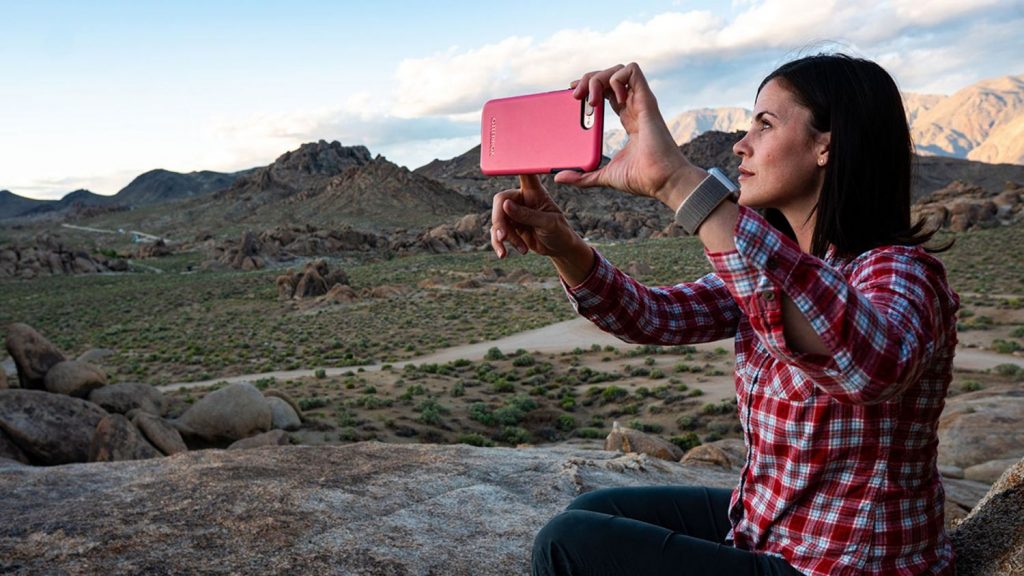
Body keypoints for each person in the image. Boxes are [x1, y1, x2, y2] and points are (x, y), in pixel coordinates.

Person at [489, 54, 959, 576]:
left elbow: (870, 367)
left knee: (570, 542)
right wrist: (562, 245)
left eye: (766, 123)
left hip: (846, 565)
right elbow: (651, 316)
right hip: (777, 531)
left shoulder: (902, 273)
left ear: (828, 144)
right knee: (591, 512)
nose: (741, 144)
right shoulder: (776, 263)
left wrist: (676, 181)